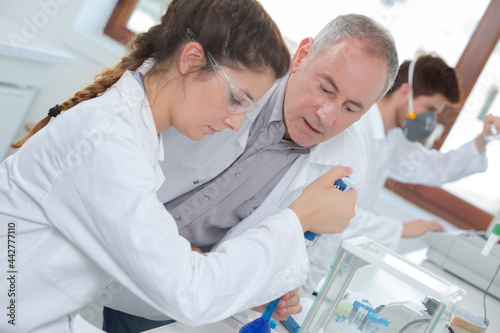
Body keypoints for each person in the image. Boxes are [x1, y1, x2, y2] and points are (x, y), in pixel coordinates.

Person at [0, 1, 360, 332]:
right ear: (190, 60)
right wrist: (299, 217)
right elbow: (192, 293)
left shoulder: (134, 134)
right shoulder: (108, 143)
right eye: (236, 98)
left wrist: (243, 278)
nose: (237, 123)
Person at [102, 13, 399, 332]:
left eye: (352, 108)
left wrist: (278, 289)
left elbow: (308, 269)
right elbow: (116, 150)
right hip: (103, 234)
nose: (328, 116)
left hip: (176, 303)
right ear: (301, 56)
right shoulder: (239, 73)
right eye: (325, 89)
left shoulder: (347, 163)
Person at [344, 53, 500, 250]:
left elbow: (435, 168)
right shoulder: (356, 129)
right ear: (405, 93)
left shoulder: (393, 137)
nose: (430, 120)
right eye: (429, 108)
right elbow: (334, 212)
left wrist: (482, 139)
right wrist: (401, 228)